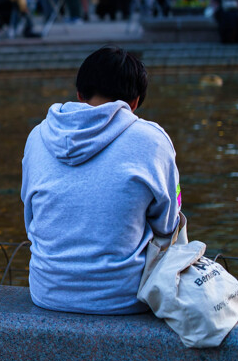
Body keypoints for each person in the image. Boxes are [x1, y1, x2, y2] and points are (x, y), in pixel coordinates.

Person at [21, 46, 180, 314]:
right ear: (135, 103)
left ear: (80, 94)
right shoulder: (152, 139)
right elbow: (168, 223)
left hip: (47, 291)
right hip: (124, 298)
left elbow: (30, 216)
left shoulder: (37, 137)